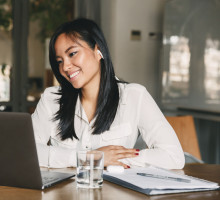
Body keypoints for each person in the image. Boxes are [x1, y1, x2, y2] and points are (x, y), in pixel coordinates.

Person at [31, 18, 185, 169]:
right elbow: (27, 151)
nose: (65, 66)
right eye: (59, 61)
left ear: (98, 51)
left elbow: (173, 156)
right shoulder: (51, 99)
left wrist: (117, 159)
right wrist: (89, 158)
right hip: (64, 193)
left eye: (72, 54)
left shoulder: (134, 96)